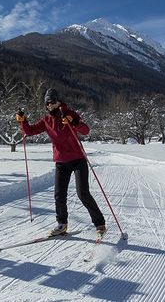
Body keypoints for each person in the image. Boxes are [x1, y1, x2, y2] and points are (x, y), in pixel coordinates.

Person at [15, 88, 107, 238]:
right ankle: (62, 225)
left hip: (78, 160)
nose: (50, 105)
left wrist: (74, 122)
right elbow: (30, 131)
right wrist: (23, 121)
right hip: (61, 162)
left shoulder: (69, 114)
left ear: (59, 102)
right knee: (59, 195)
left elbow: (85, 130)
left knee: (82, 193)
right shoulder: (46, 121)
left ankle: (100, 224)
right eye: (47, 103)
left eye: (52, 102)